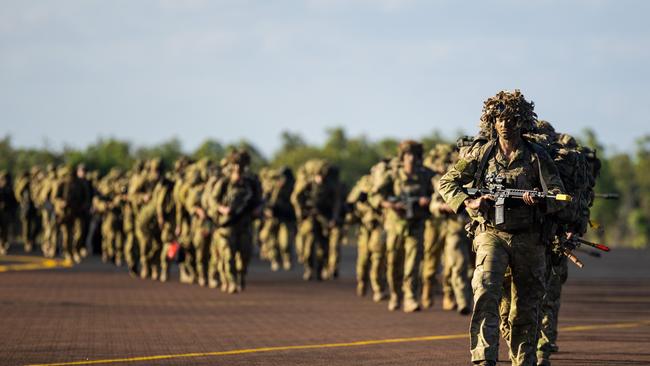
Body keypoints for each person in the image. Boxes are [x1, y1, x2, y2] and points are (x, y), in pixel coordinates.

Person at [439, 90, 566, 366]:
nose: (505, 124)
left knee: (526, 306)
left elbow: (559, 194)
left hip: (529, 239)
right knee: (485, 290)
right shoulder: (482, 153)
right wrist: (470, 202)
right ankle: (484, 358)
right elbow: (447, 182)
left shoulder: (536, 156)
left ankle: (524, 360)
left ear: (522, 122)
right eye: (499, 119)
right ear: (491, 121)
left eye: (511, 119)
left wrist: (539, 201)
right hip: (491, 234)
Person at [371, 140, 435, 313]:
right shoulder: (393, 175)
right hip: (395, 226)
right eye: (407, 154)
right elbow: (375, 196)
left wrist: (427, 201)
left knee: (413, 264)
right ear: (402, 156)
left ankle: (411, 297)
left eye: (414, 154)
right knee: (393, 263)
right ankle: (395, 295)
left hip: (416, 224)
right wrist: (389, 205)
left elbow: (437, 195)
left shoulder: (426, 175)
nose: (411, 158)